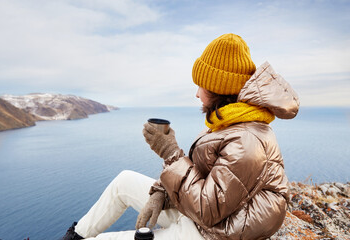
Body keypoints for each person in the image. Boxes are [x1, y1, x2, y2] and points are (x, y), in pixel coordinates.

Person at [62, 33, 299, 240]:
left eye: (201, 86)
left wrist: (170, 153)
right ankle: (74, 236)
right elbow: (203, 176)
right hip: (204, 217)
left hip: (213, 233)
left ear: (218, 89)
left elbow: (208, 208)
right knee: (123, 181)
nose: (196, 94)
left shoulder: (247, 141)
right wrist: (161, 194)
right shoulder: (230, 122)